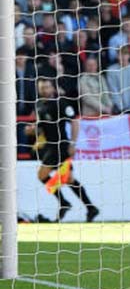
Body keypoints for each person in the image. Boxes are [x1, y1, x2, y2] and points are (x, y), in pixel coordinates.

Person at [26, 78, 98, 222]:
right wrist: (32, 130)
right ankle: (90, 208)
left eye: (47, 87)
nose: (45, 90)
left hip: (61, 146)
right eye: (42, 87)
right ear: (39, 90)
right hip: (50, 146)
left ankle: (65, 203)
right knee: (69, 179)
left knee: (42, 175)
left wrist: (73, 143)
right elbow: (42, 128)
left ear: (53, 89)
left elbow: (74, 121)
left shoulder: (60, 103)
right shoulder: (39, 105)